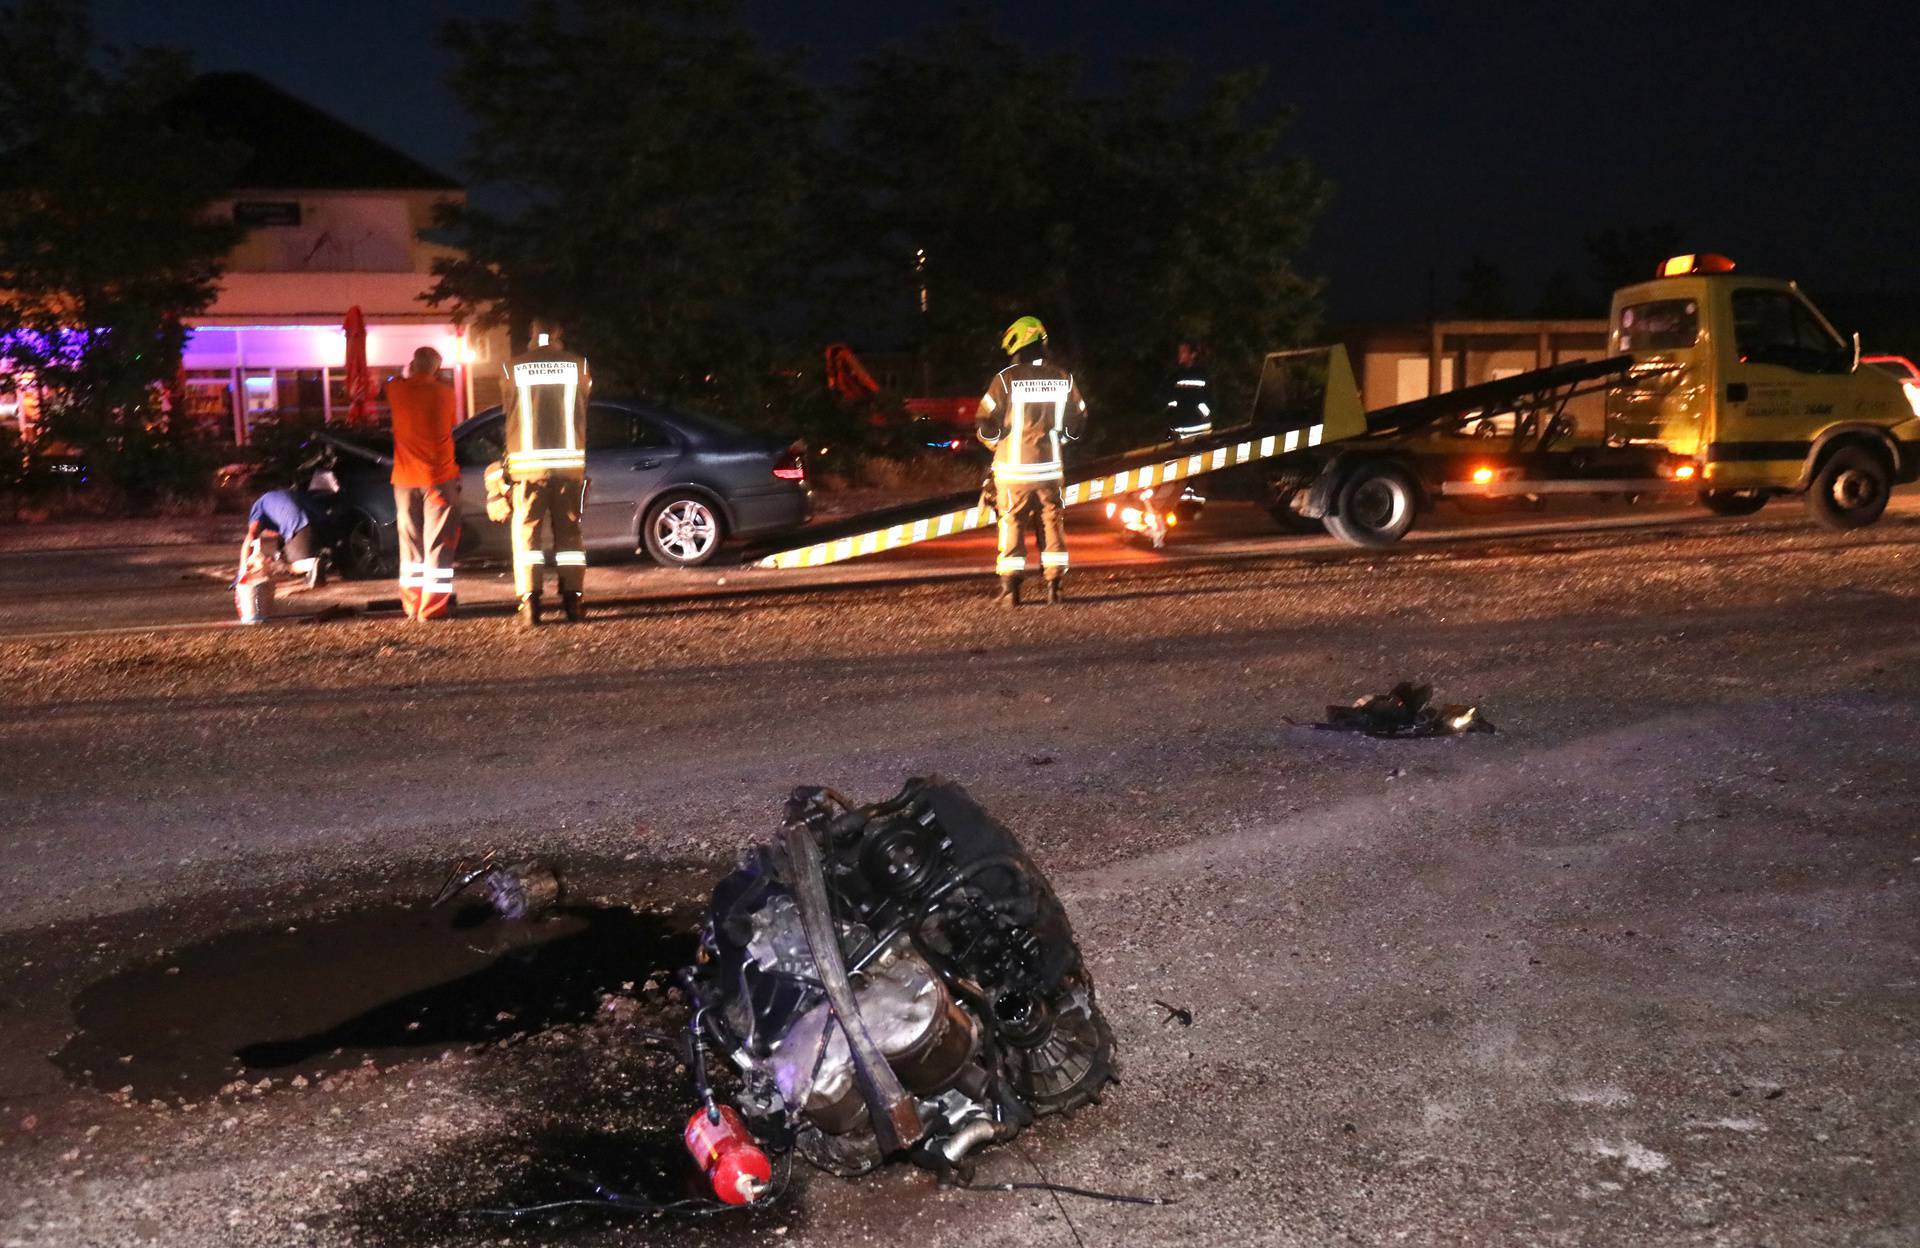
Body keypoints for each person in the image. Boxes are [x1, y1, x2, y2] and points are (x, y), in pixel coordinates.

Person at [977, 315, 1087, 606]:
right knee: (1052, 522)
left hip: (1013, 472)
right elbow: (1078, 421)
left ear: (1018, 345)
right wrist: (1060, 441)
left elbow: (985, 422)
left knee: (1012, 523)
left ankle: (1011, 591)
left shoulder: (1004, 380)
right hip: (1050, 470)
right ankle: (1055, 587)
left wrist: (995, 443)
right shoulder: (1064, 378)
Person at [500, 322, 591, 626]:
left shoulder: (511, 367)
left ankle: (530, 604)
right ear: (558, 335)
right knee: (569, 534)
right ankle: (573, 602)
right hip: (568, 467)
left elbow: (507, 407)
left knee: (527, 535)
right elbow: (584, 401)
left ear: (531, 335)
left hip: (527, 469)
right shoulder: (579, 365)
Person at [387, 346, 461, 621]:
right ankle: (432, 609)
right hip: (439, 478)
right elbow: (451, 423)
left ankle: (411, 605)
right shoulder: (445, 393)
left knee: (410, 544)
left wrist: (411, 373)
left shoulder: (396, 391)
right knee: (438, 543)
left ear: (412, 364)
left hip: (404, 480)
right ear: (437, 368)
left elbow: (398, 379)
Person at [243, 485, 325, 588]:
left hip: (299, 524)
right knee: (285, 541)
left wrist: (243, 570)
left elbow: (250, 536)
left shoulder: (259, 504)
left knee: (292, 566)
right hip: (322, 522)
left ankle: (311, 564)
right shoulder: (285, 494)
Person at [1163, 340, 1214, 441]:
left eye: (1184, 351)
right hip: (1180, 431)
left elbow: (1210, 398)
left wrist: (1203, 413)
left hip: (1200, 430)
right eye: (1180, 352)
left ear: (1193, 354)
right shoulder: (1175, 376)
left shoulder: (1202, 374)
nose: (1180, 355)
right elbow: (1171, 399)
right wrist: (1171, 417)